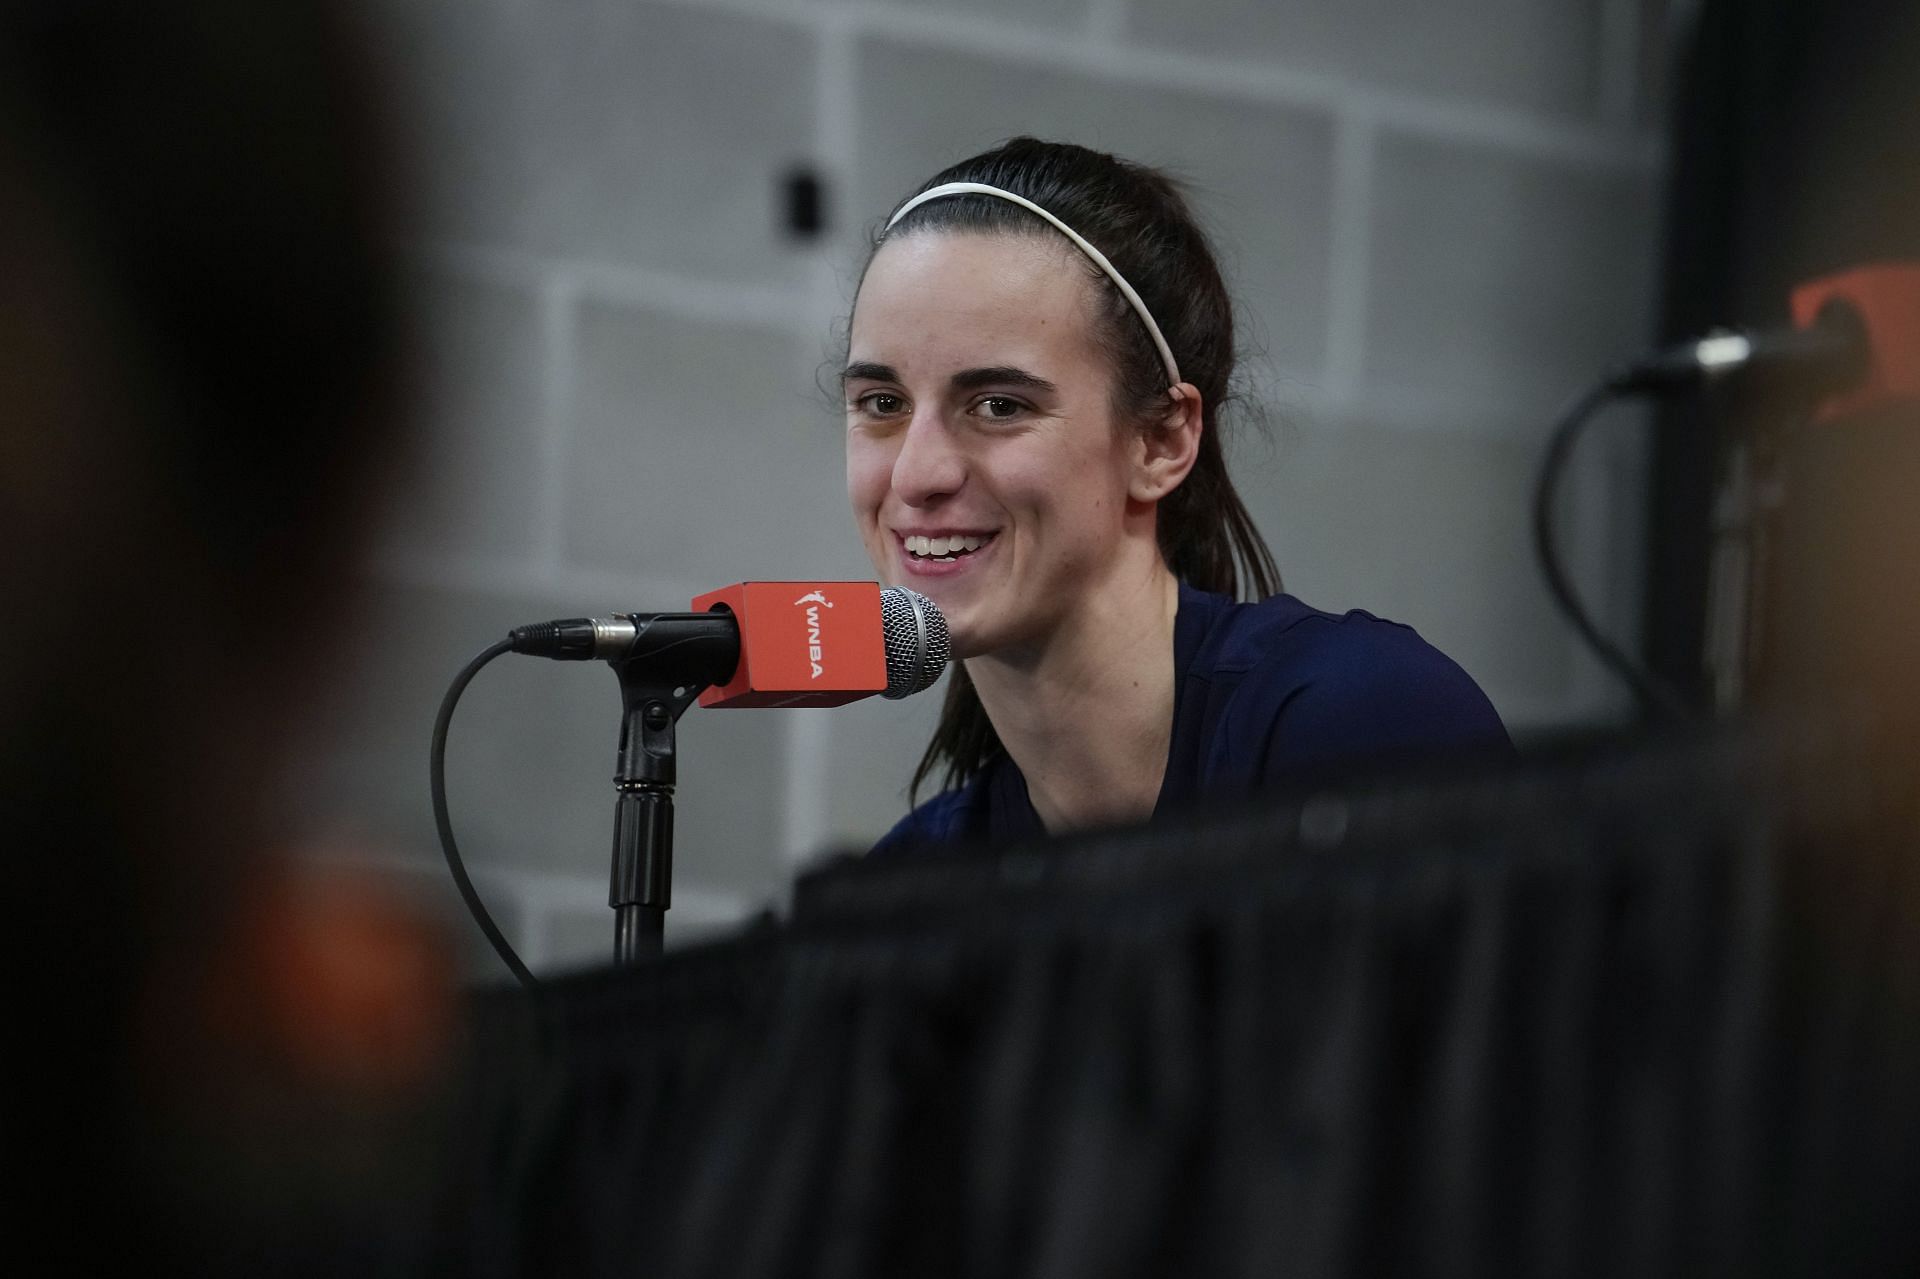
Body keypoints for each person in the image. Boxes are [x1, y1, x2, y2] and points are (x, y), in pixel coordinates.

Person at [842, 138, 1512, 852]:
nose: (916, 475)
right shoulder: (921, 876)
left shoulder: (1364, 723)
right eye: (883, 403)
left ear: (1160, 442)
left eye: (1000, 405)